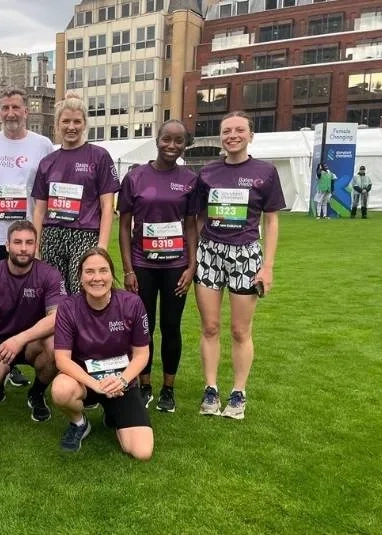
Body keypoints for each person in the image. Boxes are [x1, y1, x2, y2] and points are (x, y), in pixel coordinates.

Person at [195, 111, 285, 420]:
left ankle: (238, 391)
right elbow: (199, 217)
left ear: (250, 135)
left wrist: (268, 266)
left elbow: (272, 221)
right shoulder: (207, 172)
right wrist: (199, 251)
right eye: (226, 131)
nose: (232, 135)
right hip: (209, 253)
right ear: (220, 136)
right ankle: (210, 389)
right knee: (209, 326)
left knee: (239, 329)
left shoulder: (266, 171)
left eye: (239, 130)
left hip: (246, 255)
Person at [0, 86, 55, 393]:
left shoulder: (43, 145)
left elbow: (48, 189)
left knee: (28, 300)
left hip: (28, 240)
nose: (10, 113)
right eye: (5, 108)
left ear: (26, 110)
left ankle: (18, 357)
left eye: (16, 107)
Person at [118, 120, 198, 413]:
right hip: (142, 265)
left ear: (185, 144)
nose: (172, 146)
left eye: (179, 141)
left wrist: (192, 265)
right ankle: (144, 384)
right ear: (157, 139)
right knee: (143, 328)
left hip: (176, 266)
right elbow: (124, 226)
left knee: (171, 327)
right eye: (167, 139)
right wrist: (128, 269)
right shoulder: (135, 177)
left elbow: (191, 226)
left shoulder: (190, 179)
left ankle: (168, 389)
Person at [51, 248, 153, 459]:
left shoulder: (132, 303)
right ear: (80, 277)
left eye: (103, 271)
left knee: (142, 452)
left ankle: (113, 413)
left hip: (121, 383)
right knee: (61, 389)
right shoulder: (68, 308)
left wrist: (123, 380)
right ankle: (79, 423)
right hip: (85, 382)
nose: (97, 278)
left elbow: (142, 354)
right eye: (89, 272)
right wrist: (95, 384)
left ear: (111, 274)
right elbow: (61, 359)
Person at [0, 220, 66, 419]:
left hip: (32, 340)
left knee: (58, 346)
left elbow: (57, 318)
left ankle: (37, 392)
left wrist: (20, 339)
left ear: (37, 246)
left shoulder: (50, 275)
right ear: (7, 245)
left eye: (29, 243)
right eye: (18, 242)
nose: (23, 248)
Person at [32, 92, 120, 294]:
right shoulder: (47, 162)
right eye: (66, 121)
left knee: (83, 293)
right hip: (53, 236)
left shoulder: (99, 156)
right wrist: (36, 248)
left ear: (84, 124)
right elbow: (39, 210)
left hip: (85, 235)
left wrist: (102, 248)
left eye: (77, 121)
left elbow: (108, 207)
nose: (71, 127)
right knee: (55, 296)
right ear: (57, 124)